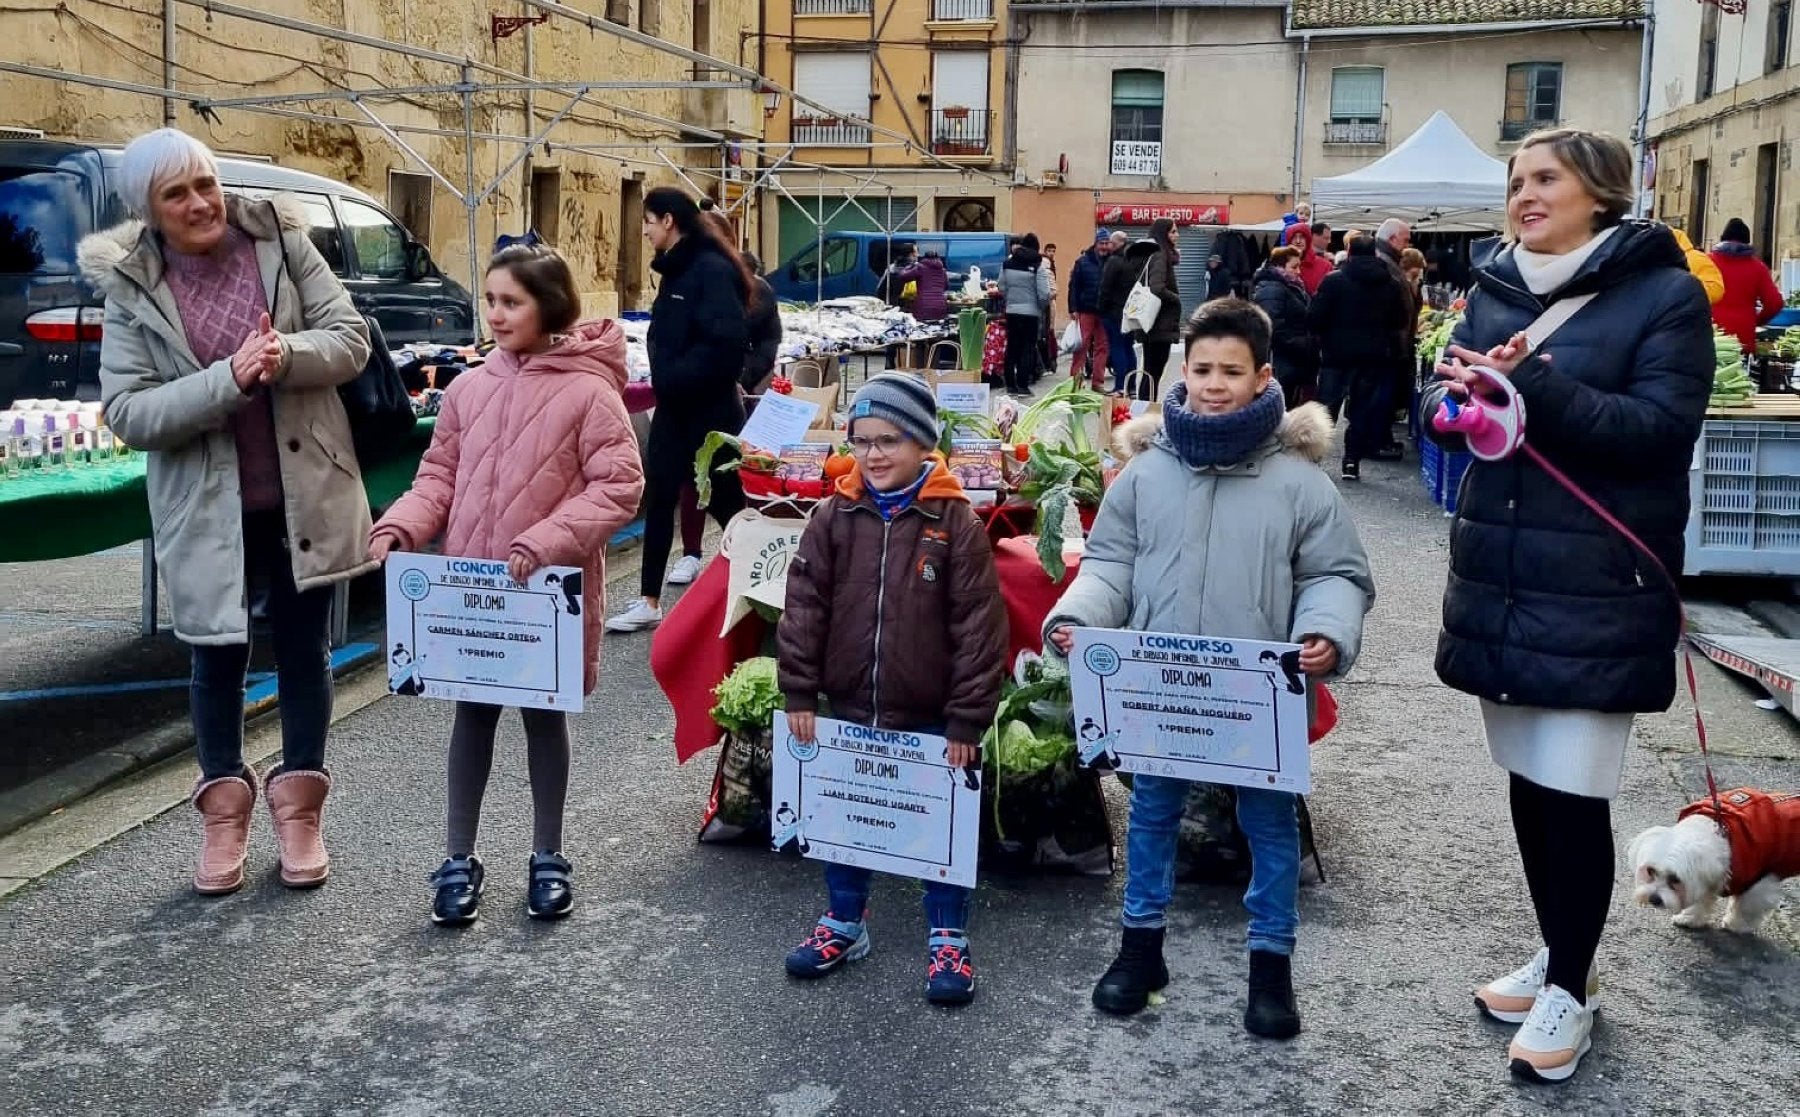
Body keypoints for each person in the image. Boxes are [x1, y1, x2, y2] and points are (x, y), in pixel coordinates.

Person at [1421, 128, 1712, 1085]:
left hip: (1598, 582)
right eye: (1515, 182)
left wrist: (1533, 382)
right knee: (1527, 779)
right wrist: (1452, 400)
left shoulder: (1664, 296)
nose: (1524, 195)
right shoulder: (1496, 284)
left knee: (1574, 791)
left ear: (1602, 192)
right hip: (1504, 575)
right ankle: (1556, 947)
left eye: (1545, 178)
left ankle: (1572, 990)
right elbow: (1452, 392)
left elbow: (1658, 433)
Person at [1043, 299, 1373, 1039]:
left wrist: (1323, 630)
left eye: (1231, 371)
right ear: (1179, 375)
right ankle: (1139, 948)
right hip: (1162, 690)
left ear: (1262, 378)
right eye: (1201, 370)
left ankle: (1270, 965)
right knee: (1153, 815)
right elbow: (1112, 562)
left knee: (1269, 825)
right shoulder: (1145, 474)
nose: (1214, 384)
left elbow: (1335, 575)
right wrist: (1081, 618)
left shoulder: (1299, 482)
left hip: (1257, 697)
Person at [83, 128, 372, 895]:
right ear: (148, 208)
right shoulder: (133, 284)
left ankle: (301, 811)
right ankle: (223, 816)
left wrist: (286, 356)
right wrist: (229, 379)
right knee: (215, 655)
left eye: (205, 183)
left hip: (302, 490)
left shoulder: (279, 237)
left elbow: (349, 340)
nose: (201, 202)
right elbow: (128, 410)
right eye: (177, 193)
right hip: (206, 506)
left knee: (306, 647)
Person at [370, 245, 644, 926]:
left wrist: (549, 538)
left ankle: (547, 853)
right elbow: (439, 477)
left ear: (549, 305)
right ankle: (458, 856)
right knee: (472, 717)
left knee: (544, 720)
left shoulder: (589, 392)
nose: (495, 314)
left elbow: (621, 484)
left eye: (511, 301)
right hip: (472, 597)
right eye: (490, 300)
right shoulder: (467, 389)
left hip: (543, 597)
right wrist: (402, 525)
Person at [777, 372, 1007, 1005]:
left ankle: (948, 933)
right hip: (851, 703)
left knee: (939, 825)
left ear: (923, 445)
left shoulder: (953, 519)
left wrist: (967, 717)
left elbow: (979, 625)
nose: (873, 455)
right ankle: (845, 921)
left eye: (890, 441)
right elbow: (803, 607)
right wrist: (800, 692)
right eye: (862, 440)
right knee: (843, 816)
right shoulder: (833, 515)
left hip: (931, 713)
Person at [607, 188, 752, 634]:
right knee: (661, 494)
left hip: (709, 413)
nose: (645, 230)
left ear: (668, 220)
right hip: (673, 409)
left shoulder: (709, 270)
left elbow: (726, 347)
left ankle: (764, 579)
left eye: (648, 221)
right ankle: (649, 599)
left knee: (726, 501)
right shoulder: (675, 270)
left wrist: (675, 378)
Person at [1310, 237, 1410, 479]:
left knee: (1327, 408)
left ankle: (1313, 459)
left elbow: (1315, 318)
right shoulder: (1391, 283)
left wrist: (1324, 339)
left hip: (1336, 355)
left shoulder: (1334, 280)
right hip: (1373, 356)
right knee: (1361, 410)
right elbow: (1398, 321)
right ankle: (1352, 462)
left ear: (1349, 252)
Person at [1122, 218, 1182, 399]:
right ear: (1163, 234)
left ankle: (1144, 408)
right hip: (1159, 322)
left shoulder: (1149, 254)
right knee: (1154, 372)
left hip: (1151, 321)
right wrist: (1176, 298)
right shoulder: (1160, 255)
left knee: (1150, 370)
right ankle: (1147, 410)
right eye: (1173, 232)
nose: (1177, 235)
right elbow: (1157, 287)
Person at [1252, 246, 1317, 407]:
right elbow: (1272, 327)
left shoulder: (1291, 287)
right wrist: (1303, 343)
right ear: (1279, 267)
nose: (1299, 271)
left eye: (1299, 266)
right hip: (1281, 361)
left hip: (1291, 359)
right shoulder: (1273, 289)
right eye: (1294, 267)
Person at [1709, 217, 1785, 353]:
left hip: (1710, 332)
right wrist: (1758, 320)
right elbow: (1775, 303)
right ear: (1748, 241)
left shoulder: (1707, 262)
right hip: (1742, 334)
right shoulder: (1758, 267)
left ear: (1722, 238)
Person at [998, 233, 1053, 395]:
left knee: (1012, 348)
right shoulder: (1038, 266)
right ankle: (1022, 385)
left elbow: (1001, 287)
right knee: (1027, 349)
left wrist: (1010, 301)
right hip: (1031, 314)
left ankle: (1010, 385)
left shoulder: (1007, 264)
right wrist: (1040, 307)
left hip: (1012, 312)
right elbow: (1044, 293)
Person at [1067, 230, 1113, 389]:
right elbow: (1074, 286)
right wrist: (1072, 308)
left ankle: (1098, 382)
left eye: (1107, 243)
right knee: (1081, 346)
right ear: (1096, 243)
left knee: (1103, 347)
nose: (1105, 247)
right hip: (1085, 309)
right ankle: (1075, 382)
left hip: (1105, 311)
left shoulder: (1112, 261)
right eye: (1102, 243)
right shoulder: (1083, 262)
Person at [1098, 229, 1140, 392]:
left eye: (1110, 242)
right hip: (1131, 312)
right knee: (1129, 348)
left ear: (1116, 243)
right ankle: (1132, 387)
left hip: (1114, 313)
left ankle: (1120, 386)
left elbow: (1105, 287)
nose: (1108, 245)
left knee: (1117, 348)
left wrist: (1101, 309)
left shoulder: (1114, 261)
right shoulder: (1135, 260)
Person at [895, 247, 951, 324]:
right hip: (940, 306)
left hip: (923, 306)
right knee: (938, 329)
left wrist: (910, 266)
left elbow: (903, 276)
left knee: (923, 330)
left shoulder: (920, 268)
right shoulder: (942, 270)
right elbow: (946, 286)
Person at [1291, 224, 1332, 296]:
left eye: (1302, 237)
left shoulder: (1325, 265)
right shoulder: (1278, 264)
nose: (1298, 241)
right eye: (1294, 237)